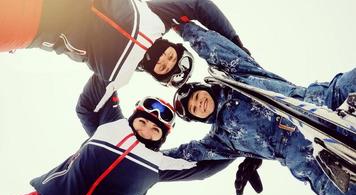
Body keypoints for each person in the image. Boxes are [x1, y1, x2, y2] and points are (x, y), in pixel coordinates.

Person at [164, 22, 356, 195]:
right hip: (309, 160)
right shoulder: (221, 140)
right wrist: (143, 162)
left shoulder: (237, 77)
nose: (200, 104)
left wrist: (180, 26)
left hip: (322, 102)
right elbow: (185, 155)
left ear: (205, 89)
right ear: (198, 118)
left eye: (198, 97)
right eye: (194, 109)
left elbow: (211, 46)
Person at [0, 0, 250, 112]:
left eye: (165, 68)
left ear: (155, 74)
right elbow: (198, 5)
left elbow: (88, 108)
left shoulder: (118, 74)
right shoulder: (156, 18)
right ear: (173, 45)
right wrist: (237, 47)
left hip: (32, 27)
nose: (164, 61)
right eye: (172, 58)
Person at [17, 92, 233, 195]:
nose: (146, 131)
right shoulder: (112, 125)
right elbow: (100, 88)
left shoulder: (159, 163)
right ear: (132, 119)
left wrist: (244, 147)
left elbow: (204, 167)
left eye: (156, 130)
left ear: (162, 138)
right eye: (143, 122)